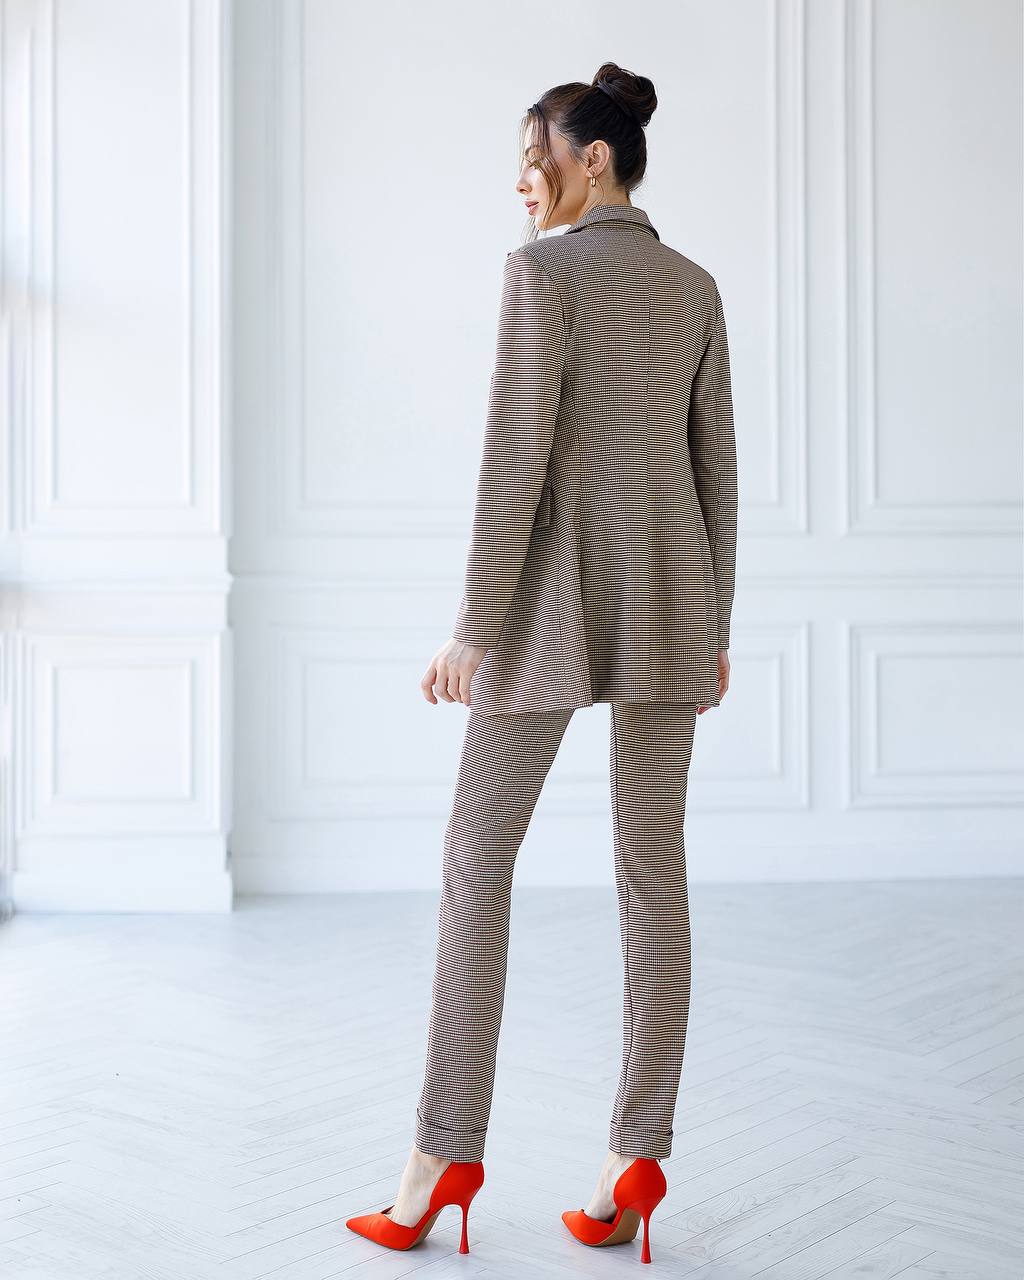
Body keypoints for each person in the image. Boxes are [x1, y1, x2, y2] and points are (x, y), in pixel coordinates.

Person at [347, 60, 738, 1264]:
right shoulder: (695, 285)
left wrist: (474, 626)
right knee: (650, 873)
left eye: (538, 155)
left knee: (475, 862)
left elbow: (511, 461)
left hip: (555, 602)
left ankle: (437, 1157)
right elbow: (715, 467)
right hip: (673, 601)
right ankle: (637, 1160)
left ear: (595, 160)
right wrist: (716, 618)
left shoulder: (541, 275)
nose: (524, 179)